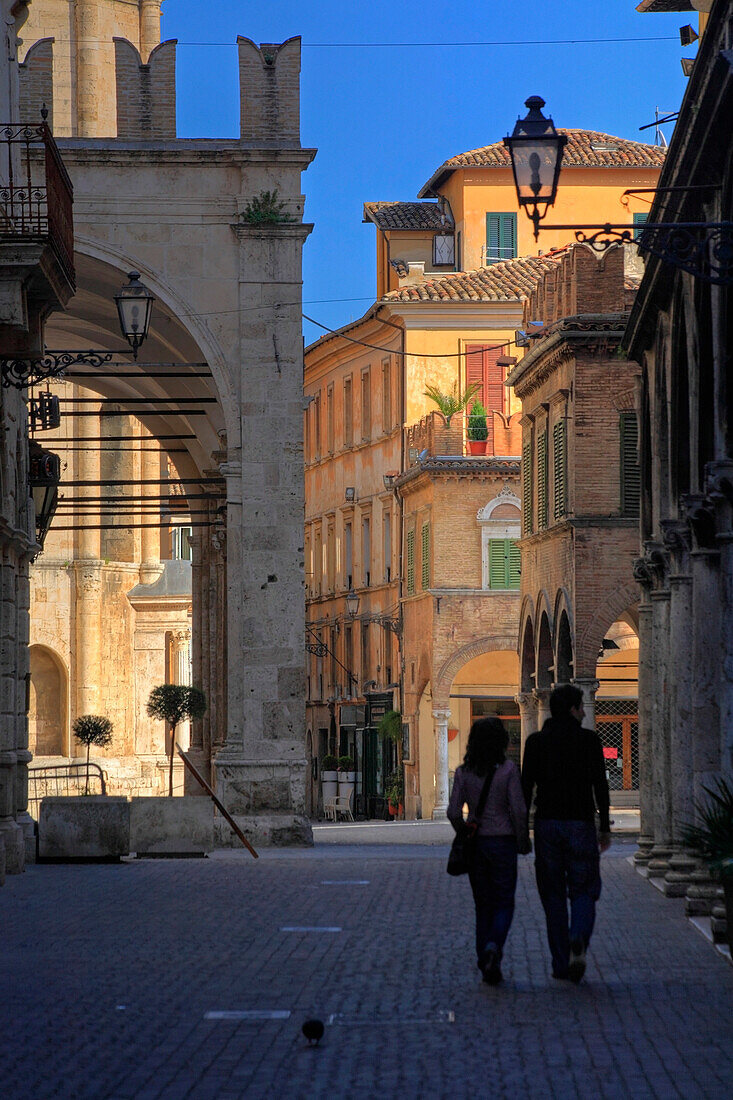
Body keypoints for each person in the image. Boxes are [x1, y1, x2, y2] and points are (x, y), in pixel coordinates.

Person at [521, 684, 611, 983]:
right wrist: (604, 825)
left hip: (547, 823)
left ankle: (561, 963)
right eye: (582, 706)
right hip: (581, 823)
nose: (585, 711)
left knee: (553, 893)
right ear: (572, 709)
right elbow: (601, 785)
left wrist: (522, 827)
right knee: (584, 888)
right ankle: (578, 936)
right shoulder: (589, 740)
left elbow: (526, 786)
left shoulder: (536, 742)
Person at [448, 717, 530, 985]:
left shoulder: (463, 772)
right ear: (501, 742)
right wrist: (522, 837)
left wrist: (464, 828)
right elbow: (518, 808)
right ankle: (495, 944)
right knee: (504, 901)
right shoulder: (508, 770)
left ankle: (484, 957)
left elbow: (452, 811)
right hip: (503, 841)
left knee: (482, 904)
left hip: (477, 844)